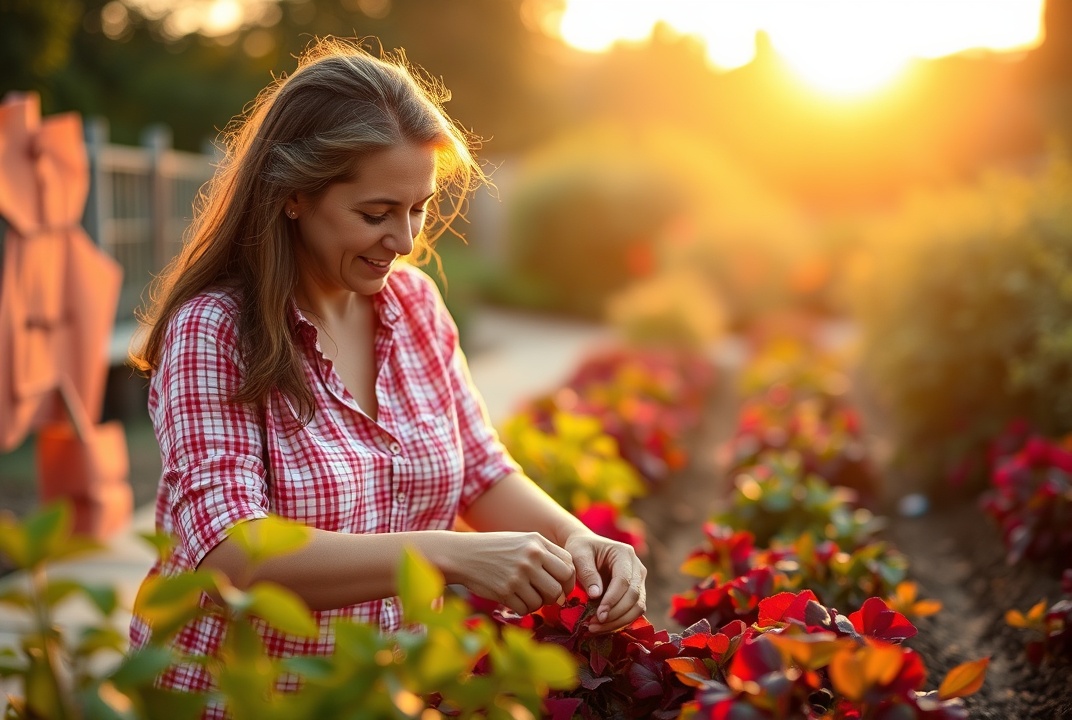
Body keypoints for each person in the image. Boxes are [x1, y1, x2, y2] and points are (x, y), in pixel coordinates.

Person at [128, 37, 647, 700]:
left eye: (417, 208)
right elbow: (229, 551)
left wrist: (583, 543)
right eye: (375, 214)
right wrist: (444, 553)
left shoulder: (415, 306)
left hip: (375, 694)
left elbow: (483, 473)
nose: (404, 241)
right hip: (234, 698)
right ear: (293, 195)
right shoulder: (215, 330)